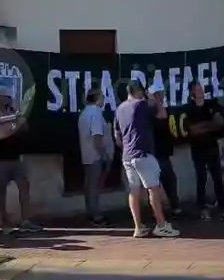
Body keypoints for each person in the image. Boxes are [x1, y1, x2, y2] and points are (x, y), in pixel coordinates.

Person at [113, 80, 180, 238]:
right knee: (153, 189)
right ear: (139, 91)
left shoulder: (120, 109)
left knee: (134, 191)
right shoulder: (141, 105)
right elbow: (162, 115)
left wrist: (128, 148)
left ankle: (138, 227)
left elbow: (117, 137)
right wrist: (155, 100)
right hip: (143, 154)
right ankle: (161, 225)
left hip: (127, 156)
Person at [0, 86, 43, 235]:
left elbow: (24, 125)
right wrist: (13, 125)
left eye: (9, 98)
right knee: (1, 191)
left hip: (15, 157)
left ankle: (25, 221)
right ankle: (5, 223)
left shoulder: (12, 111)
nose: (9, 100)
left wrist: (13, 122)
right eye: (6, 98)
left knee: (24, 185)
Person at [186, 81, 224, 221]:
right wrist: (209, 125)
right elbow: (194, 131)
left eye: (201, 89)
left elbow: (219, 124)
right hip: (198, 149)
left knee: (218, 178)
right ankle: (203, 208)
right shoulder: (189, 109)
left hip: (212, 147)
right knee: (201, 178)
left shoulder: (211, 105)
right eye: (197, 89)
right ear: (192, 92)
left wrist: (204, 126)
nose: (201, 91)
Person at [77, 88, 113, 227]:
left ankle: (90, 212)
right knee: (94, 187)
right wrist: (104, 155)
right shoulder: (96, 114)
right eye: (102, 97)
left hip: (87, 155)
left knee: (90, 186)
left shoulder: (84, 113)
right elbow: (97, 137)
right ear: (97, 98)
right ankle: (96, 216)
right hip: (96, 156)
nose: (103, 100)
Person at [149, 82, 182, 219]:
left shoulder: (168, 111)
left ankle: (175, 208)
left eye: (162, 94)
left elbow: (172, 129)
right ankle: (158, 212)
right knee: (155, 185)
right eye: (158, 94)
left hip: (165, 153)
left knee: (170, 180)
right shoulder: (149, 113)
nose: (161, 96)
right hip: (153, 154)